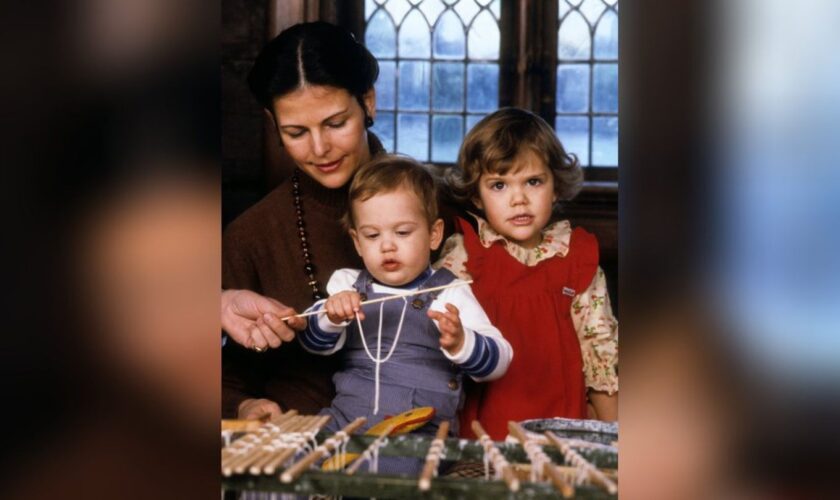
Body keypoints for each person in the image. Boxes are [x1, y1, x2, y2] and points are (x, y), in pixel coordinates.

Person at [222, 21, 385, 420]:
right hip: (296, 450)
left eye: (335, 123)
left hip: (422, 446)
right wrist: (242, 405)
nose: (320, 148)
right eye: (296, 131)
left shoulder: (440, 208)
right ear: (272, 123)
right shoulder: (251, 235)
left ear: (368, 102)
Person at [298, 155, 512, 440]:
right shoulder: (347, 284)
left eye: (402, 232)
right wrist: (330, 315)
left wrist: (462, 342)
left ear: (434, 235)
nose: (387, 245)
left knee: (390, 472)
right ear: (356, 242)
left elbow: (501, 360)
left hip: (419, 430)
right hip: (346, 420)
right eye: (372, 236)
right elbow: (310, 341)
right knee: (290, 456)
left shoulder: (450, 292)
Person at [436, 107, 619, 440]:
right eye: (499, 185)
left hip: (563, 426)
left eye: (533, 181)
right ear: (476, 195)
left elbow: (599, 352)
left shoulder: (575, 258)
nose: (519, 199)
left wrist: (613, 438)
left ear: (556, 187)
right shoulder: (463, 258)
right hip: (482, 427)